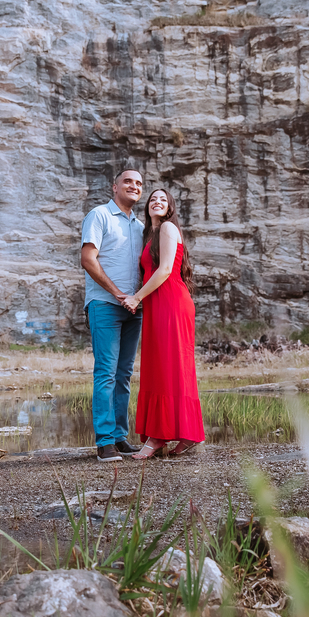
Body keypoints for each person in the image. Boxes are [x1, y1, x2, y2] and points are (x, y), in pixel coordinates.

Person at [121, 188, 204, 459]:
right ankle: (187, 434)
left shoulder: (167, 228)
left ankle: (158, 436)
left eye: (163, 200)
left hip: (171, 303)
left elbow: (166, 269)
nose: (157, 202)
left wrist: (136, 297)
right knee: (164, 366)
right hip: (158, 304)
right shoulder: (150, 235)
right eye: (153, 199)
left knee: (168, 366)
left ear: (170, 208)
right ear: (147, 206)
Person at [81, 168, 145, 462]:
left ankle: (120, 437)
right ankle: (104, 442)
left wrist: (137, 298)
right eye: (128, 181)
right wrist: (118, 293)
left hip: (134, 309)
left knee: (124, 374)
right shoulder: (99, 215)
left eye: (139, 183)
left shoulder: (140, 227)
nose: (134, 186)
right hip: (105, 305)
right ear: (114, 187)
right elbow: (88, 259)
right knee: (106, 372)